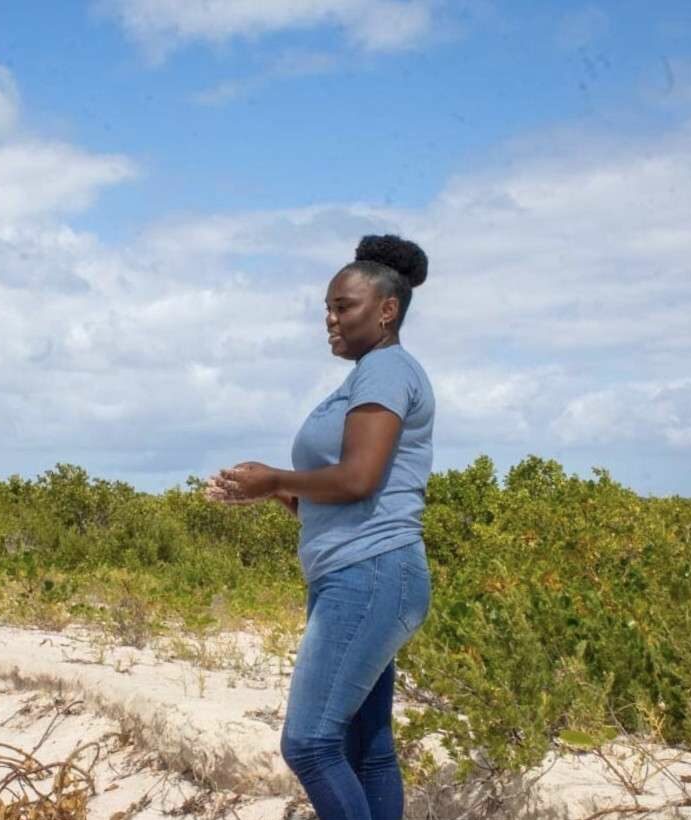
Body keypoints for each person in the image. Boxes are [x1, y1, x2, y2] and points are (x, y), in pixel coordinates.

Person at [206, 234, 435, 819]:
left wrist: (274, 477)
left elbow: (358, 478)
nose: (329, 320)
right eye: (327, 309)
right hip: (361, 575)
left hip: (371, 575)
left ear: (387, 310)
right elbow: (341, 498)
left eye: (343, 307)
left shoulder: (384, 371)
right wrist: (270, 492)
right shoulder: (366, 377)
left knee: (307, 743)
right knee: (366, 748)